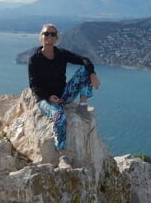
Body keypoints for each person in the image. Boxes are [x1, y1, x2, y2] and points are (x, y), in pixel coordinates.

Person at [28, 23, 101, 168]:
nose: (49, 36)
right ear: (40, 37)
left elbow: (84, 60)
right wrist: (49, 97)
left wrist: (92, 73)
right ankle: (63, 156)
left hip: (63, 95)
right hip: (45, 100)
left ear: (57, 38)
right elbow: (34, 85)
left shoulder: (60, 54)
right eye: (46, 33)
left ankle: (82, 106)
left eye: (52, 34)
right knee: (60, 118)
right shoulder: (34, 59)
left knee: (84, 71)